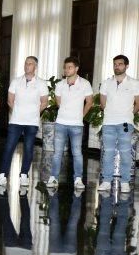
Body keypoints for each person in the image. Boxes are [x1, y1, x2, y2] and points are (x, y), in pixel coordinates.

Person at [0, 56, 49, 187]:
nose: (27, 66)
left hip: (32, 122)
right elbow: (10, 100)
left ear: (35, 67)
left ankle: (24, 175)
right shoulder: (16, 81)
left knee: (29, 149)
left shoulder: (41, 83)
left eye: (30, 64)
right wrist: (19, 111)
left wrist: (33, 113)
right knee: (9, 147)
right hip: (16, 121)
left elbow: (44, 102)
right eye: (25, 63)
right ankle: (2, 176)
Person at [46, 57, 93, 189]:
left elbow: (89, 102)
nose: (66, 70)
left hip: (77, 125)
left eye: (70, 67)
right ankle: (53, 178)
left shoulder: (85, 83)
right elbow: (58, 101)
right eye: (65, 67)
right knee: (57, 152)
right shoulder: (60, 84)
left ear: (76, 69)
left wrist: (80, 116)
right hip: (61, 123)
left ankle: (78, 179)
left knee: (77, 153)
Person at [98, 55, 138, 193]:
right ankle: (106, 181)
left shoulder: (134, 83)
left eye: (120, 64)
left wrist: (128, 114)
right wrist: (111, 112)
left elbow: (138, 103)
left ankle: (125, 182)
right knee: (108, 154)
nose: (117, 66)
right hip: (108, 123)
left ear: (126, 66)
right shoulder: (106, 83)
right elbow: (102, 103)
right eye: (115, 64)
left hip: (126, 123)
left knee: (126, 154)